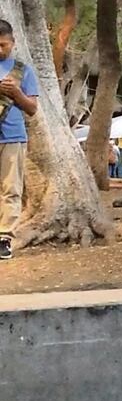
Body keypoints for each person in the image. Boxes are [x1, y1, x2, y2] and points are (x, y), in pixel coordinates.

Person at [0, 19, 40, 261]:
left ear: (13, 43)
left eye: (3, 44)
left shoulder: (23, 70)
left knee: (11, 189)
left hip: (13, 136)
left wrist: (15, 93)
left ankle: (4, 238)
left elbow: (33, 108)